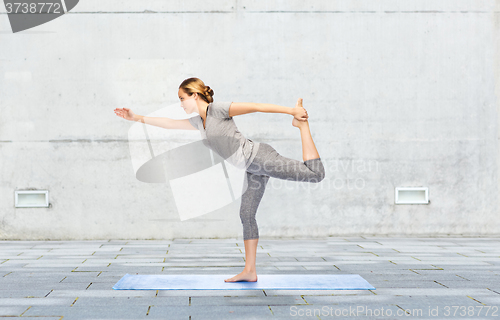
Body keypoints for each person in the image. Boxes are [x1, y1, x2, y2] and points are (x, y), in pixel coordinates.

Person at [114, 77, 325, 282]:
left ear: (194, 95)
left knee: (315, 174)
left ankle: (301, 126)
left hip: (261, 158)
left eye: (181, 98)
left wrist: (292, 111)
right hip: (252, 168)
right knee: (246, 214)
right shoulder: (200, 122)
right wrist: (136, 118)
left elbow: (256, 106)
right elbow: (169, 123)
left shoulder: (218, 110)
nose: (180, 104)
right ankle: (249, 271)